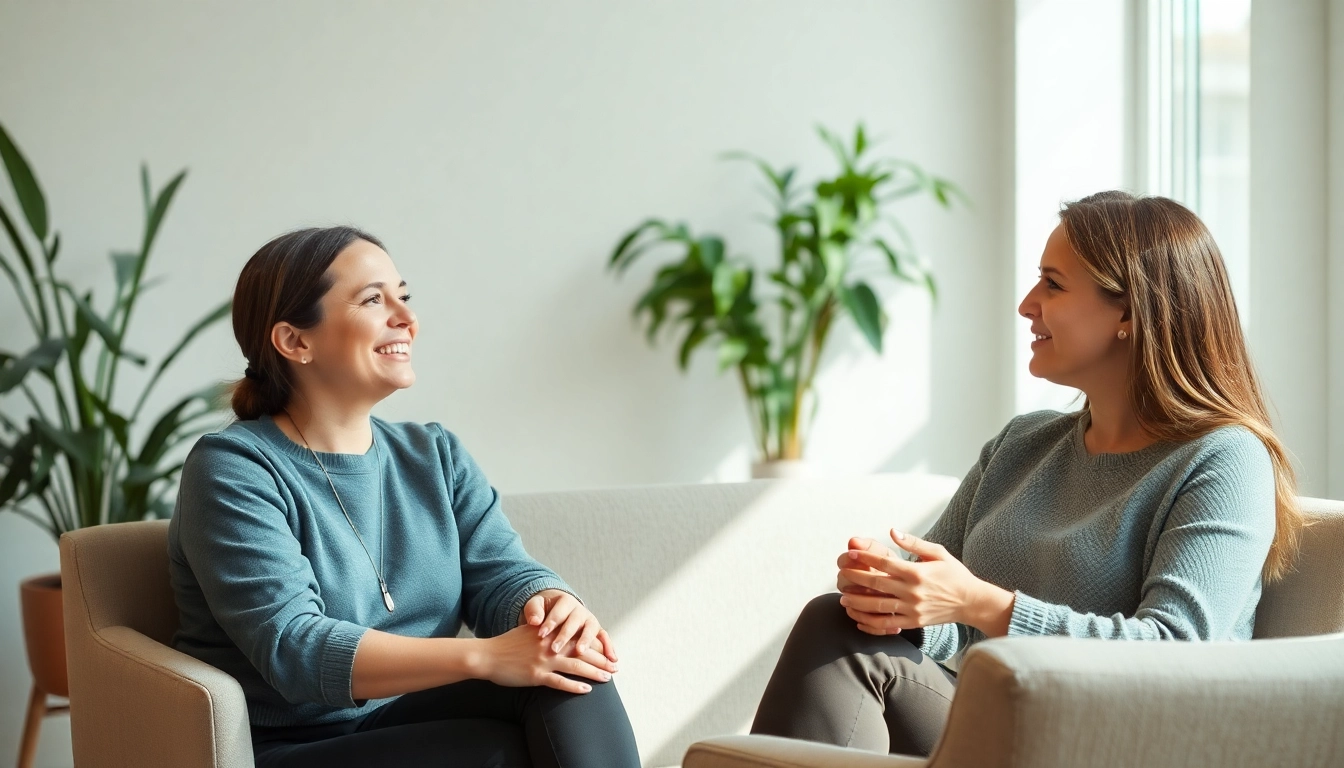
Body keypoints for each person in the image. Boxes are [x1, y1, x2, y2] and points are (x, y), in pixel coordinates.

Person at [750, 191, 1304, 757]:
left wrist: (984, 604)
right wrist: (893, 597)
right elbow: (949, 614)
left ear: (1128, 313)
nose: (1026, 304)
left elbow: (1176, 652)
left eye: (1053, 285)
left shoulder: (1225, 459)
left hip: (1116, 748)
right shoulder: (1022, 445)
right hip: (1008, 727)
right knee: (837, 622)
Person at [168, 227, 640, 768]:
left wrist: (551, 607)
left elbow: (502, 575)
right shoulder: (234, 468)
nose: (407, 318)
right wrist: (485, 657)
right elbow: (294, 648)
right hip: (292, 745)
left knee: (571, 666)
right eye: (374, 300)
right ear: (295, 341)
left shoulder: (434, 454)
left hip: (407, 715)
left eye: (404, 296)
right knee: (500, 752)